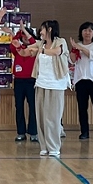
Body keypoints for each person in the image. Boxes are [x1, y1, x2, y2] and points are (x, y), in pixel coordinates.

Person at [26, 20, 70, 157]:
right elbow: (27, 50)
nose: (40, 32)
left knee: (53, 117)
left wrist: (41, 50)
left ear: (50, 29)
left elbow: (57, 52)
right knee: (41, 117)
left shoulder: (60, 42)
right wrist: (19, 48)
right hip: (41, 83)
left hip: (56, 85)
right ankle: (44, 146)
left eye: (42, 29)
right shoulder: (41, 43)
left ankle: (54, 146)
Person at [10, 25, 39, 142]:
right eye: (23, 36)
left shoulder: (35, 48)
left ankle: (33, 132)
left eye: (27, 35)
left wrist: (25, 31)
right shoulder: (18, 48)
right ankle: (20, 132)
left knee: (33, 107)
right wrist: (18, 34)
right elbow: (13, 44)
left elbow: (33, 42)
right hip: (19, 81)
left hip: (32, 80)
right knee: (19, 107)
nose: (26, 38)